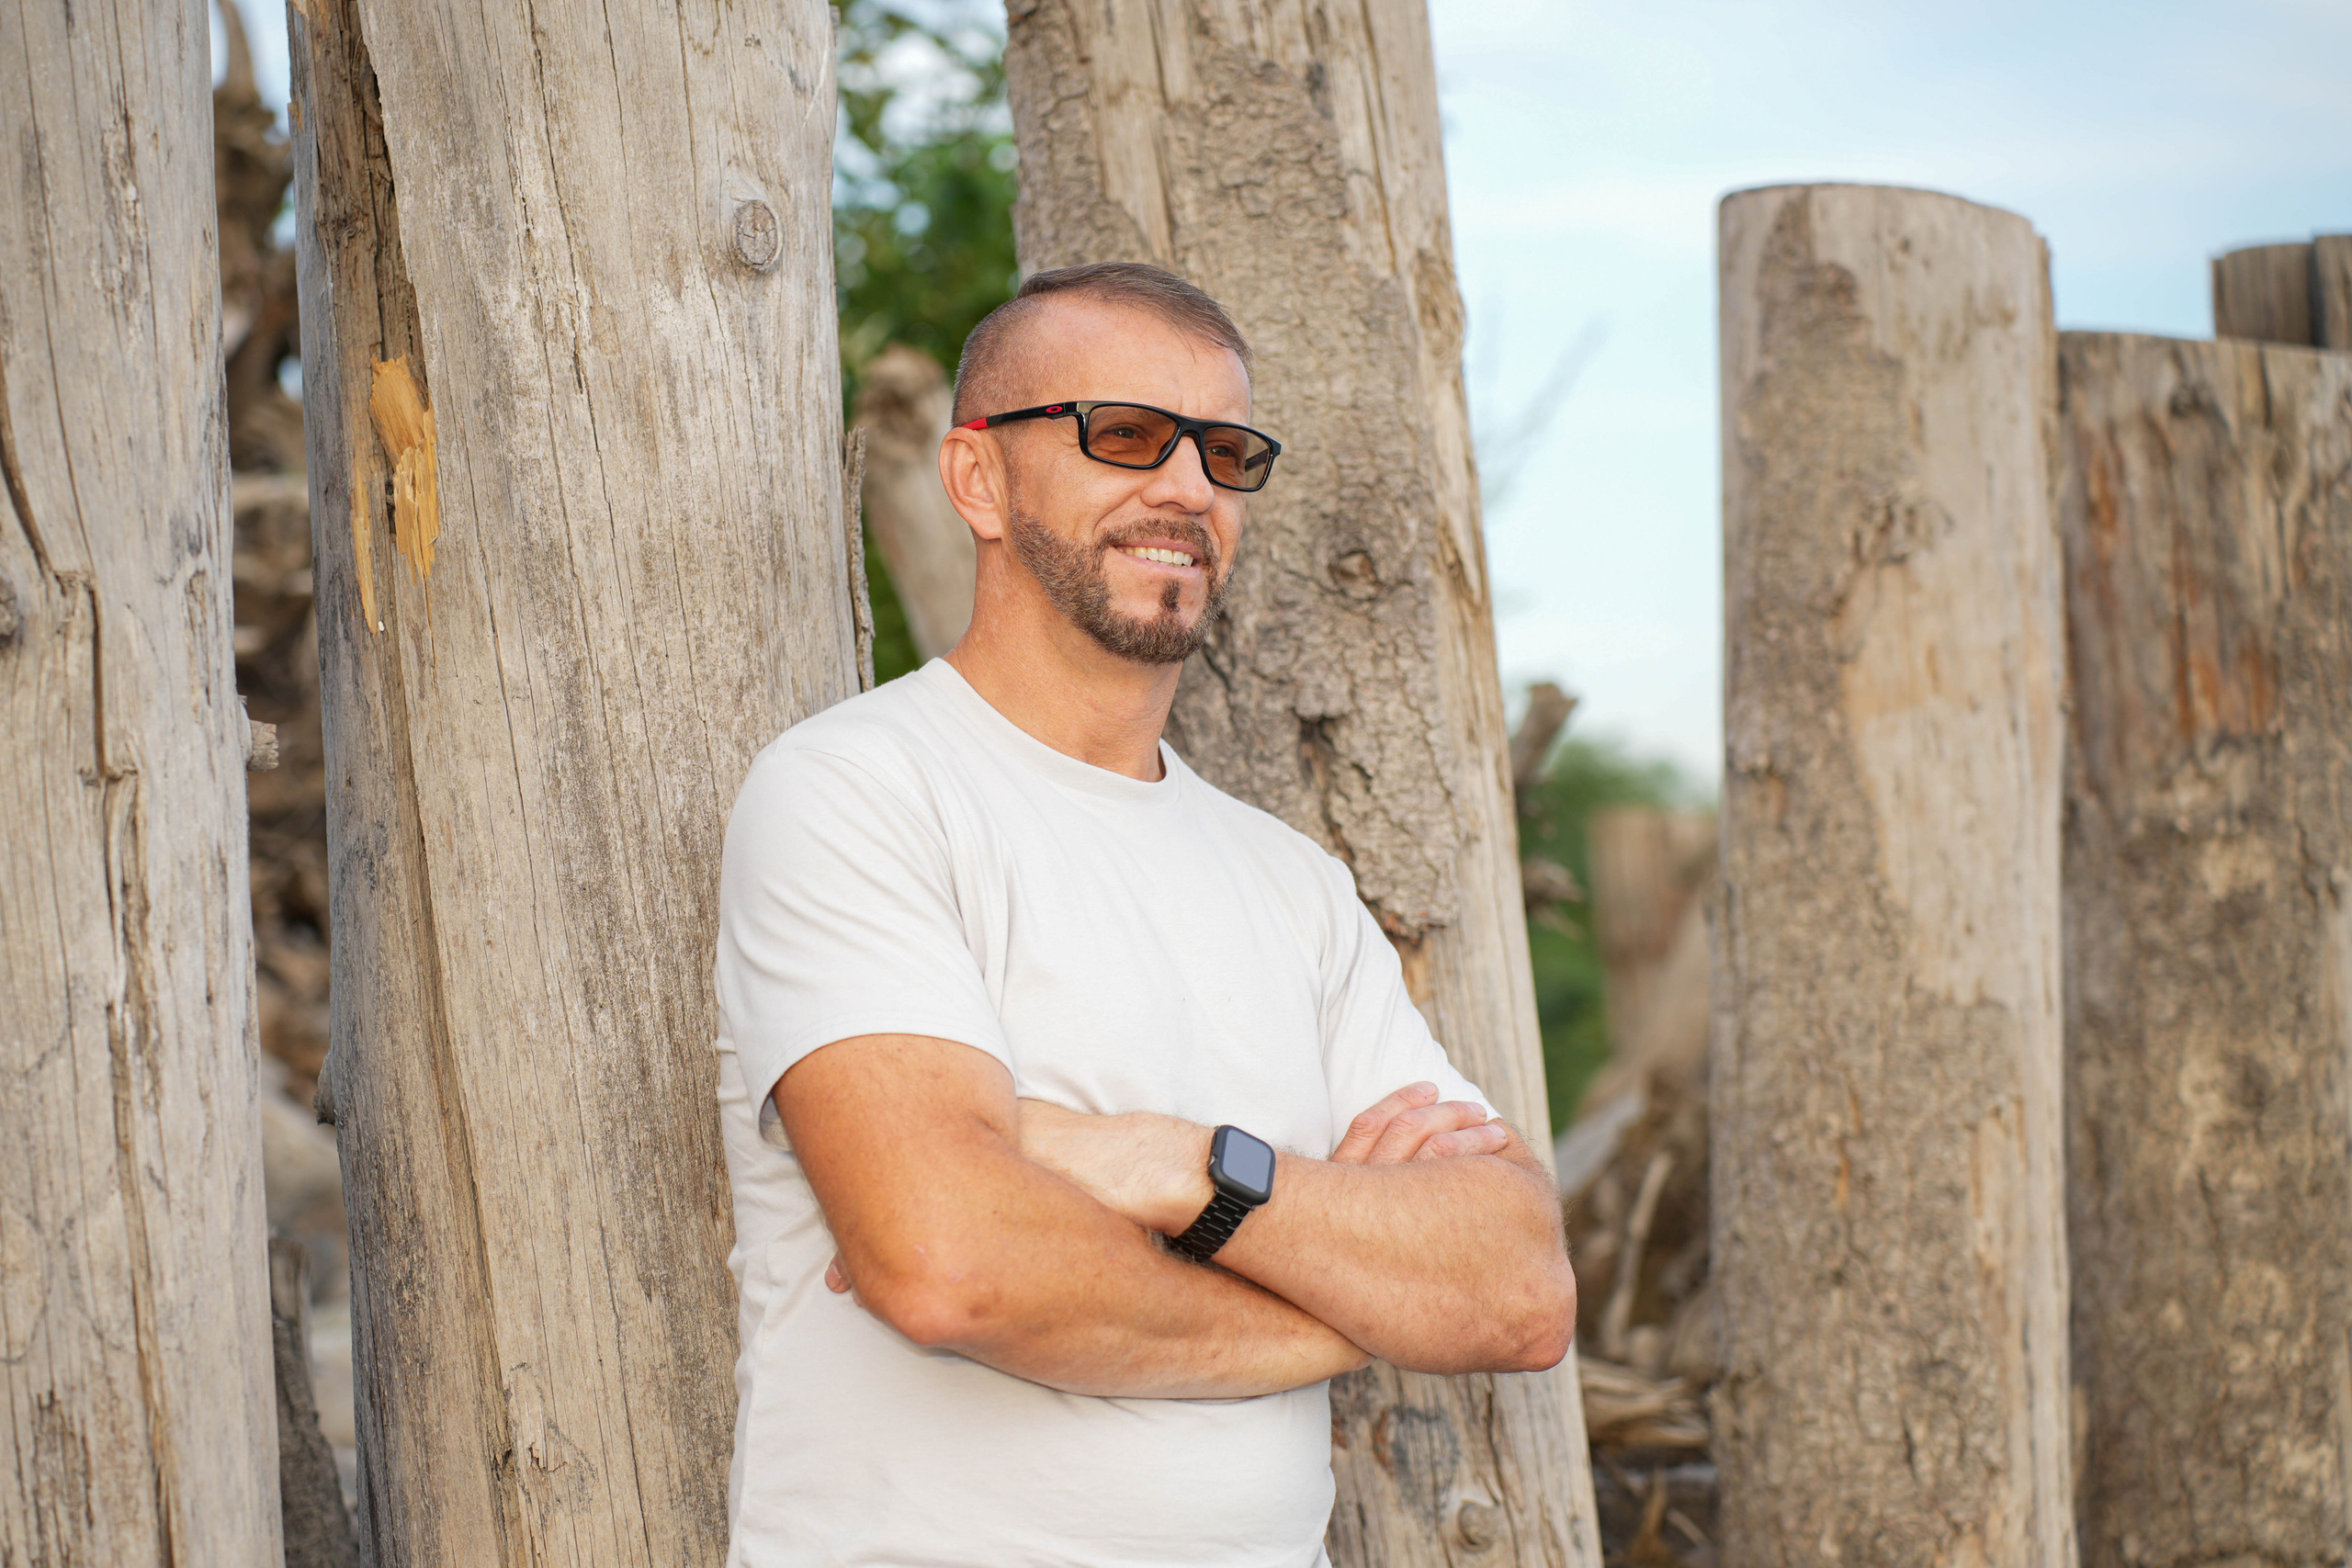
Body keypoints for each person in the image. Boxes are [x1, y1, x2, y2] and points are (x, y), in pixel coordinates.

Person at [713, 261, 1576, 1568]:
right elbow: (951, 1263)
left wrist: (1178, 1168)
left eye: (1224, 452)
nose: (1185, 488)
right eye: (1122, 434)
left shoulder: (1293, 886)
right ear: (977, 481)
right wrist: (1350, 1307)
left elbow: (1516, 1291)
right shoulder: (856, 795)